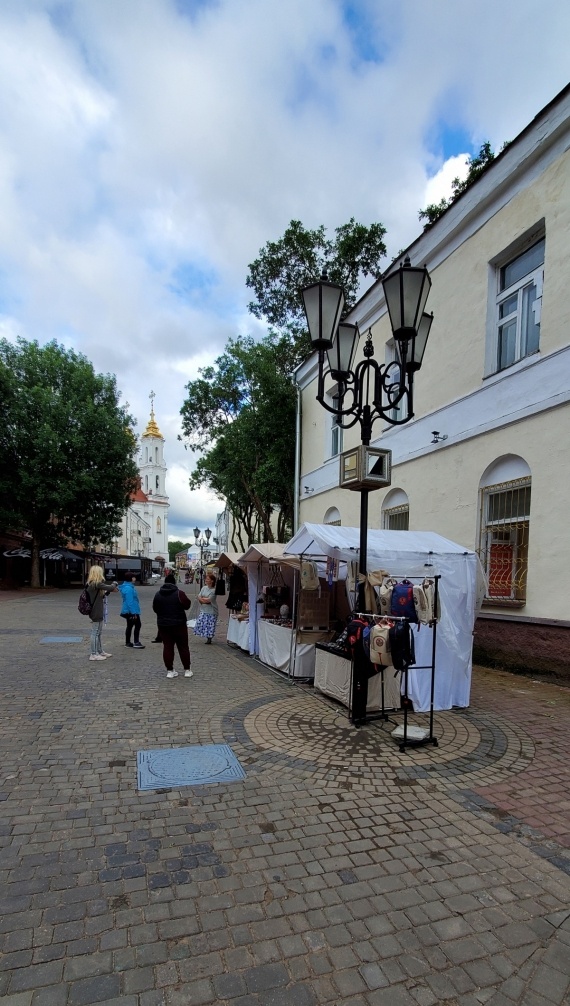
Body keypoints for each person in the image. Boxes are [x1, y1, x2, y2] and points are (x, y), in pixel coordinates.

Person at [152, 573, 192, 679]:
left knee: (168, 647)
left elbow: (155, 608)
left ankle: (170, 671)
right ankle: (187, 670)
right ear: (174, 583)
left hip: (163, 624)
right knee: (183, 647)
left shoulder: (158, 594)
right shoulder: (179, 593)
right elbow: (187, 605)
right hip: (179, 624)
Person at [85, 565, 117, 661]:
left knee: (98, 632)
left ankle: (99, 651)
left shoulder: (93, 584)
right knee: (95, 632)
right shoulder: (95, 583)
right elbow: (110, 587)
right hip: (96, 611)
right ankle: (93, 654)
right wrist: (115, 583)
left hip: (98, 610)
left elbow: (102, 595)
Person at [118, 575, 145, 648]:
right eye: (133, 577)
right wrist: (134, 613)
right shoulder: (129, 588)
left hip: (129, 609)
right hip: (131, 610)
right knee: (137, 625)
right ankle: (136, 642)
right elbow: (130, 601)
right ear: (130, 578)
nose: (135, 578)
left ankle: (128, 642)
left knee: (130, 625)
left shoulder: (128, 587)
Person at [194, 572, 218, 644]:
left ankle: (209, 638)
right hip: (204, 609)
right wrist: (202, 599)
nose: (206, 580)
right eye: (206, 579)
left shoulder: (214, 590)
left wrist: (202, 599)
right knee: (200, 623)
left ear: (212, 581)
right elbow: (199, 596)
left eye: (208, 579)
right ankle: (206, 636)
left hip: (211, 610)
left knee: (210, 625)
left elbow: (209, 600)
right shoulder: (204, 588)